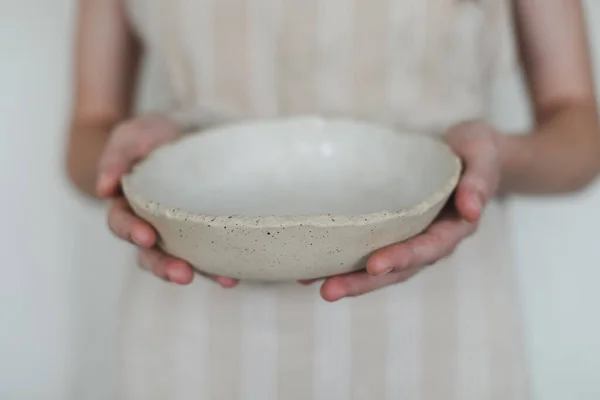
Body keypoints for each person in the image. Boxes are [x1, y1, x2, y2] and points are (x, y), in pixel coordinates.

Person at [66, 0, 600, 398]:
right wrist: (125, 168)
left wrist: (496, 158)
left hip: (442, 338)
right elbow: (88, 135)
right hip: (192, 346)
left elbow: (577, 134)